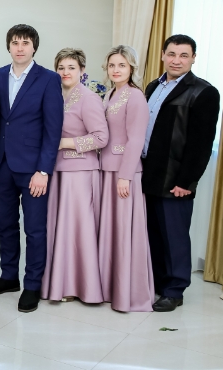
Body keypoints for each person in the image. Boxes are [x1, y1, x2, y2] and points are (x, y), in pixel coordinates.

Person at [0, 24, 63, 313]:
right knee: (5, 225)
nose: (20, 47)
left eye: (25, 43)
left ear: (34, 47)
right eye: (15, 42)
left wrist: (44, 170)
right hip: (2, 164)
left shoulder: (49, 79)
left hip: (33, 169)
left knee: (35, 229)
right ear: (9, 46)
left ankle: (32, 285)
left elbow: (53, 129)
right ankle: (9, 277)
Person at [142, 35, 220, 312]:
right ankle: (157, 283)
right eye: (172, 54)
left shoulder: (203, 92)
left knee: (174, 236)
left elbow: (202, 143)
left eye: (184, 55)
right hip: (149, 174)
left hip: (175, 179)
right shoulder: (153, 86)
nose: (177, 60)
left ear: (193, 58)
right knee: (153, 234)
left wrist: (187, 181)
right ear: (163, 55)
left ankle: (175, 290)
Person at [41, 48, 108, 304]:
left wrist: (63, 143)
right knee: (60, 230)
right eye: (61, 68)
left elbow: (101, 138)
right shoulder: (55, 95)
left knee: (77, 231)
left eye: (71, 67)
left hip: (80, 172)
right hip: (57, 170)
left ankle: (80, 287)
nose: (65, 72)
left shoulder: (88, 98)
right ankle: (59, 283)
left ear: (82, 70)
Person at [97, 45, 155, 312]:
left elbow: (136, 140)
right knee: (110, 231)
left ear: (132, 68)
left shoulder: (136, 97)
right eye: (112, 65)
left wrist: (125, 176)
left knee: (123, 232)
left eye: (121, 65)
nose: (116, 70)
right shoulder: (109, 94)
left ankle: (128, 293)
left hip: (124, 173)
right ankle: (109, 287)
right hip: (106, 169)